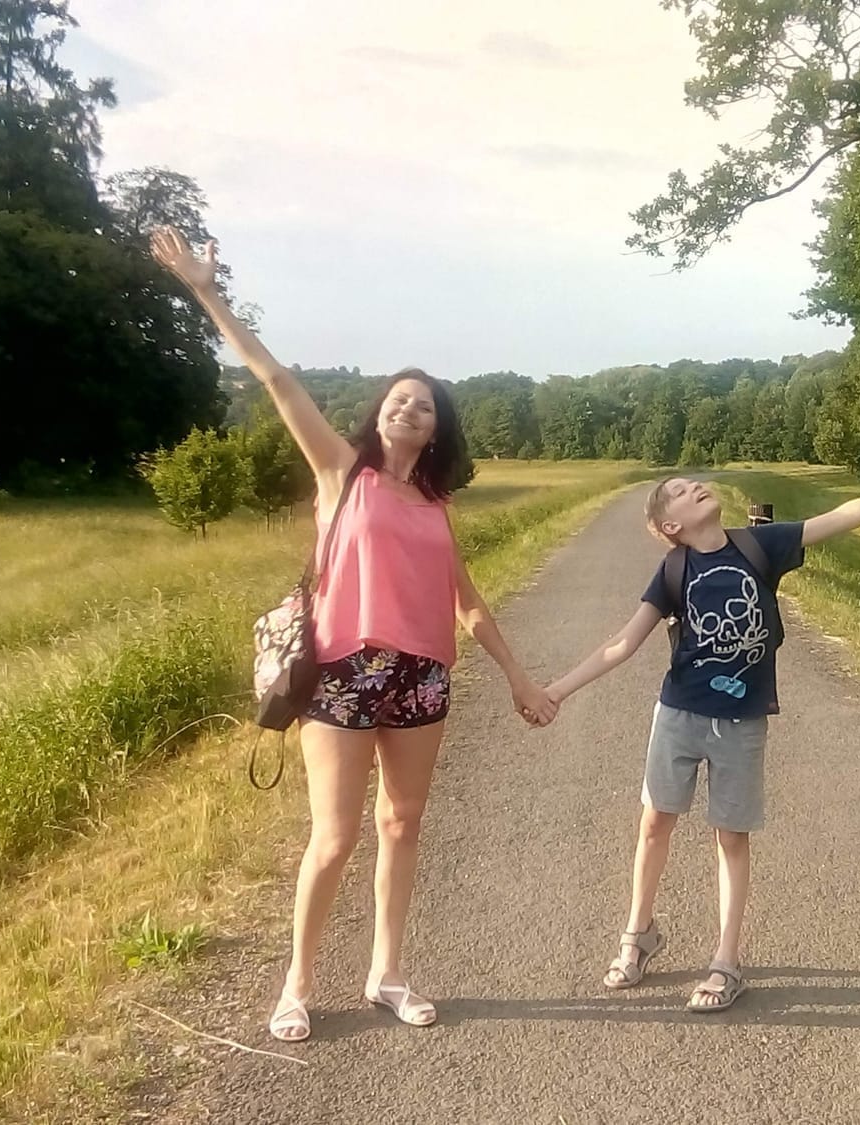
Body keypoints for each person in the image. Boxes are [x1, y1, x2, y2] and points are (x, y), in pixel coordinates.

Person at [150, 228, 557, 1042]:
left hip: (422, 678)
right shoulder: (342, 472)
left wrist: (517, 674)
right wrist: (206, 291)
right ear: (380, 412)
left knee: (402, 824)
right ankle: (297, 985)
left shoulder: (436, 506)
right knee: (334, 837)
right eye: (398, 398)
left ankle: (388, 973)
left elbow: (468, 602)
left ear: (436, 429)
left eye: (425, 404)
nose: (409, 408)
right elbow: (276, 379)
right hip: (343, 672)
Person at [544, 461, 860, 1012]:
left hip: (741, 724)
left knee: (731, 836)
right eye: (680, 491)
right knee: (654, 825)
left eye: (693, 484)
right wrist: (557, 691)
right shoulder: (674, 569)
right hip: (678, 715)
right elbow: (622, 644)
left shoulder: (758, 546)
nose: (695, 487)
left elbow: (841, 516)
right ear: (670, 526)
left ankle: (726, 962)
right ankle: (637, 935)